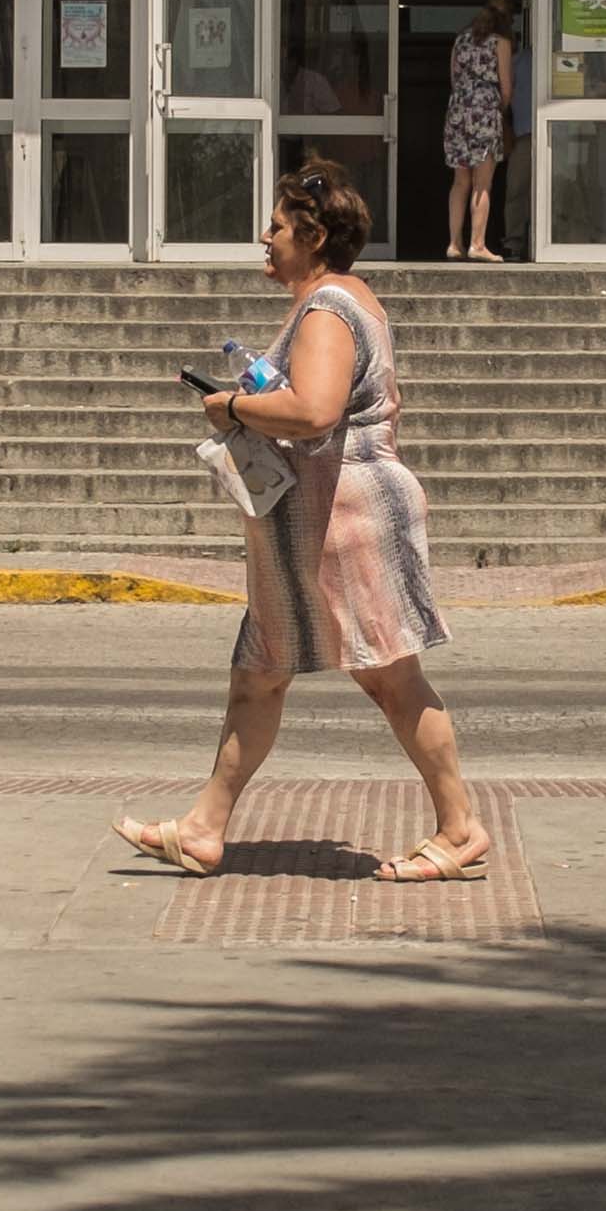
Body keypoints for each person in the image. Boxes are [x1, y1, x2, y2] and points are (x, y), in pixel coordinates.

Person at [117, 156, 494, 884]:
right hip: (323, 514)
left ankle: (461, 827)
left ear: (312, 236)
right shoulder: (351, 301)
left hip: (339, 518)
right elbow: (384, 401)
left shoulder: (326, 308)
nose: (266, 236)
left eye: (278, 225)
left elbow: (315, 410)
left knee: (390, 676)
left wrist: (230, 405)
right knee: (259, 674)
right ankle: (202, 829)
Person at [441, 0, 518, 262]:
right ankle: (477, 243)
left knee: (459, 181)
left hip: (458, 111)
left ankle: (454, 243)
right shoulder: (501, 42)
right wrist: (500, 110)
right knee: (482, 183)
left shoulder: (460, 41)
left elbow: (454, 79)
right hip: (485, 111)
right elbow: (506, 87)